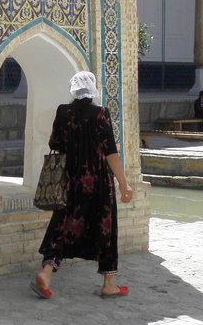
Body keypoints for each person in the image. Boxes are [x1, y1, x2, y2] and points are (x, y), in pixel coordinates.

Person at [31, 71, 133, 300]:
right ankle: (109, 284)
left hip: (69, 180)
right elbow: (110, 152)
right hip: (98, 182)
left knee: (61, 224)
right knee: (105, 228)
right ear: (93, 89)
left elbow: (54, 142)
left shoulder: (62, 112)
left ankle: (46, 273)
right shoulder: (101, 113)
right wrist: (124, 184)